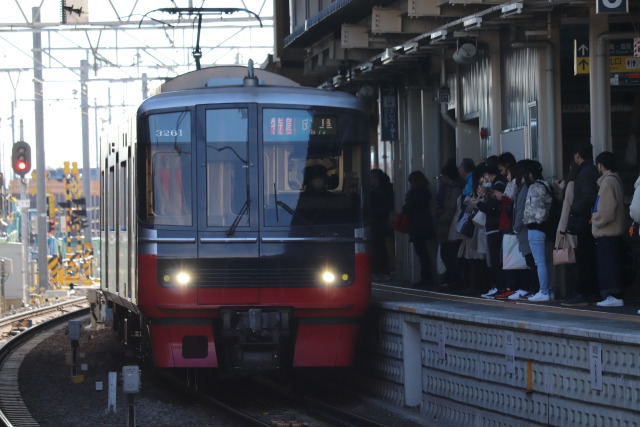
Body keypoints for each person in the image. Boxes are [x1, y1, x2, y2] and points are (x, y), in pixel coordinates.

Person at [562, 142, 600, 306]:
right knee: (588, 258)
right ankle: (591, 292)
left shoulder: (584, 172)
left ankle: (583, 292)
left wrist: (574, 209)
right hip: (589, 221)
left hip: (585, 221)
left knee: (584, 259)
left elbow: (588, 196)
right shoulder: (591, 170)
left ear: (577, 155)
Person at [591, 152, 626, 307]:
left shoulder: (607, 182)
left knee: (608, 266)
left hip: (607, 232)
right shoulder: (616, 180)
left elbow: (606, 210)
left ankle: (612, 296)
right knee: (612, 264)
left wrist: (595, 220)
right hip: (614, 232)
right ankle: (613, 295)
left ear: (601, 165)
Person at [472, 156, 506, 298]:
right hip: (495, 226)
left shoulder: (498, 185)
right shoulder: (497, 184)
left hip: (494, 226)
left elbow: (492, 208)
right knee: (494, 258)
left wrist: (478, 203)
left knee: (495, 259)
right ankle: (497, 286)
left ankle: (500, 287)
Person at [523, 160, 553, 301]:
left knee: (539, 262)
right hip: (547, 229)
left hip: (536, 228)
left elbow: (537, 211)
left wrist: (533, 220)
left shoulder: (534, 187)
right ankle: (549, 290)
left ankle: (544, 291)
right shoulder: (547, 185)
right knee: (546, 262)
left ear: (530, 174)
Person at [508, 159, 538, 300]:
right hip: (524, 229)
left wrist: (516, 227)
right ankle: (533, 288)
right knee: (530, 261)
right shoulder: (523, 187)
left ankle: (534, 288)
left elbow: (521, 209)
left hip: (524, 229)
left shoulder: (524, 188)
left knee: (531, 261)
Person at [401, 171, 436, 286]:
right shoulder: (425, 191)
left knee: (421, 253)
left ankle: (426, 278)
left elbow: (409, 208)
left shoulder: (415, 193)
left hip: (417, 225)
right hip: (425, 223)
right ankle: (428, 277)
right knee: (425, 253)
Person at [436, 162, 464, 288]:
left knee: (450, 255)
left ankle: (454, 281)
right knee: (449, 255)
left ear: (447, 176)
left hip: (450, 227)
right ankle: (452, 280)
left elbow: (452, 209)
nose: (441, 178)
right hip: (449, 227)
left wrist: (442, 219)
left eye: (442, 175)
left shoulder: (455, 189)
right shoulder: (454, 189)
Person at [370, 169, 394, 279]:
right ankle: (383, 271)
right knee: (381, 247)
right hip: (381, 222)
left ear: (376, 179)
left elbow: (380, 208)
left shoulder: (380, 191)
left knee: (378, 247)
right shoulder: (385, 189)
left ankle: (380, 271)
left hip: (379, 222)